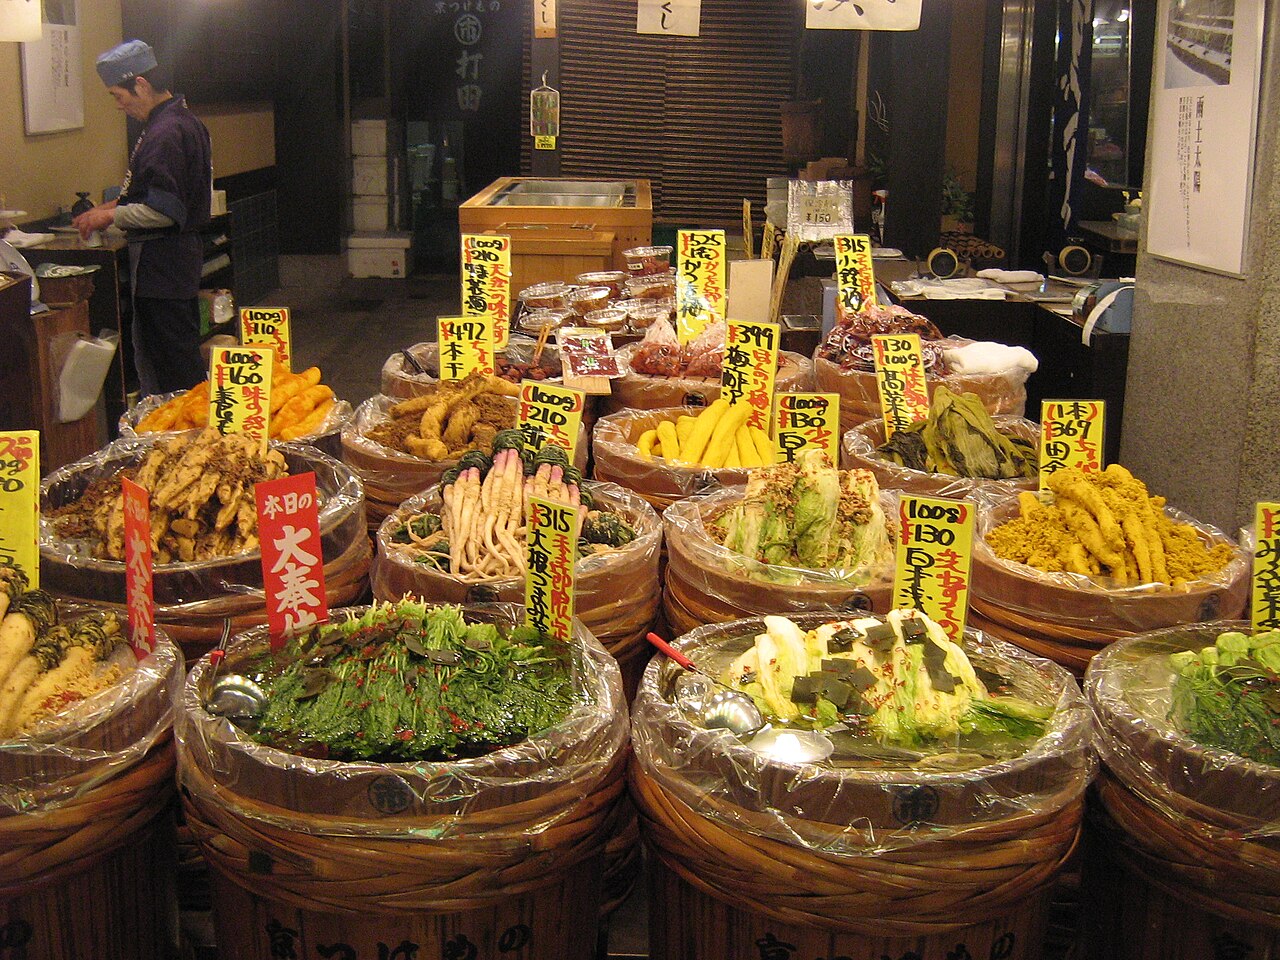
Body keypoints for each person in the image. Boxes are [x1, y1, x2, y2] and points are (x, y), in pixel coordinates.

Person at [73, 40, 212, 397]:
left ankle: (189, 438)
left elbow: (163, 212)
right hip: (176, 263)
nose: (120, 106)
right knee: (178, 354)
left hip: (163, 265)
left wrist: (109, 218)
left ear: (141, 84)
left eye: (119, 96)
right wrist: (110, 206)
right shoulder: (182, 120)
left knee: (173, 366)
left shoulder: (164, 133)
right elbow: (153, 191)